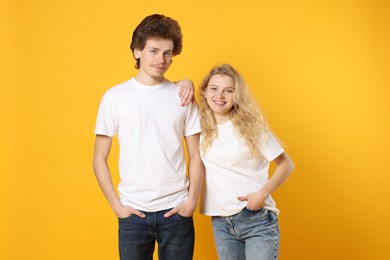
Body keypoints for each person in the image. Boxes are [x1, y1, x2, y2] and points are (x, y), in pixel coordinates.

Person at [92, 14, 203, 260]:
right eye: (154, 51)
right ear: (137, 51)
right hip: (133, 214)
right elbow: (99, 158)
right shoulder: (114, 97)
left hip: (176, 212)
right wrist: (117, 207)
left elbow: (196, 154)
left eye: (167, 53)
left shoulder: (183, 96)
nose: (161, 60)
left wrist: (191, 201)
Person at [198, 64, 295, 260]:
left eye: (228, 91)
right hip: (221, 222)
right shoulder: (199, 125)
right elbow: (168, 91)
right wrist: (183, 83)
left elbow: (287, 164)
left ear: (237, 95)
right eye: (214, 88)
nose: (220, 96)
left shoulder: (251, 126)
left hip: (256, 219)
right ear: (205, 91)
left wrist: (262, 193)